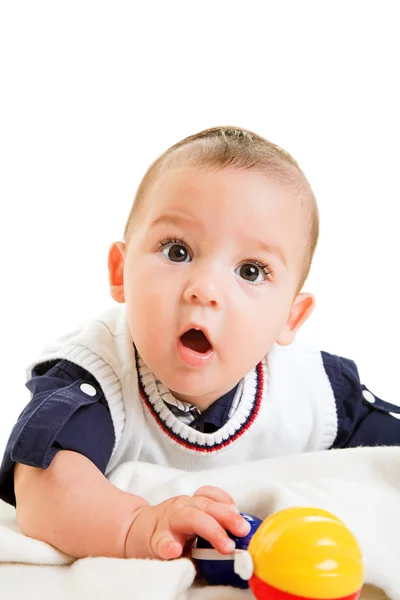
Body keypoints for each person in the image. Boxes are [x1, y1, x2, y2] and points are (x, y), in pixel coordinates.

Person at [1, 126, 399, 562]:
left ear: (291, 316)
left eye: (250, 271)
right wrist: (139, 526)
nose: (205, 289)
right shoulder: (97, 377)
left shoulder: (313, 392)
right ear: (121, 272)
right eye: (176, 251)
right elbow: (43, 486)